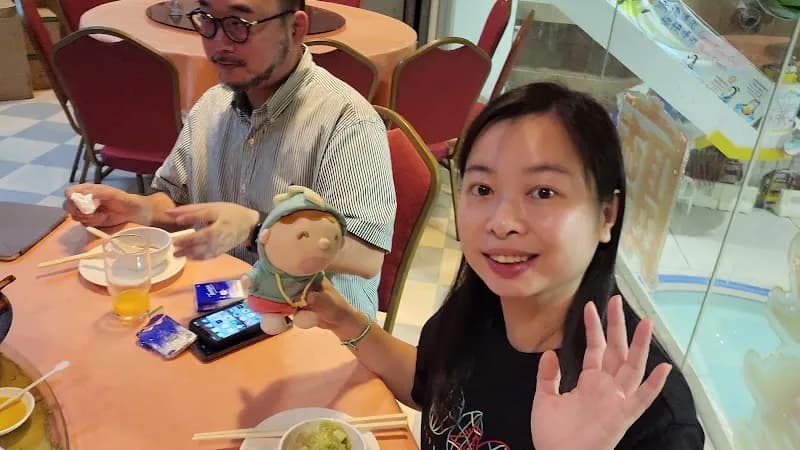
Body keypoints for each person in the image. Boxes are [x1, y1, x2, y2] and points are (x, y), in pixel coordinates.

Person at [304, 83, 705, 449]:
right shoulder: (482, 305)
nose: (501, 222)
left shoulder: (648, 408)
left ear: (607, 215)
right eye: (483, 189)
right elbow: (429, 384)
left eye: (543, 192)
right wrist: (343, 318)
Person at [63, 0, 395, 318]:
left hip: (313, 323)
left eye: (239, 24)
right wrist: (136, 208)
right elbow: (177, 201)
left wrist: (257, 230)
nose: (219, 43)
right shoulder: (213, 104)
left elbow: (365, 256)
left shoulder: (347, 120)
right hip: (223, 306)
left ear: (295, 28)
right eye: (208, 21)